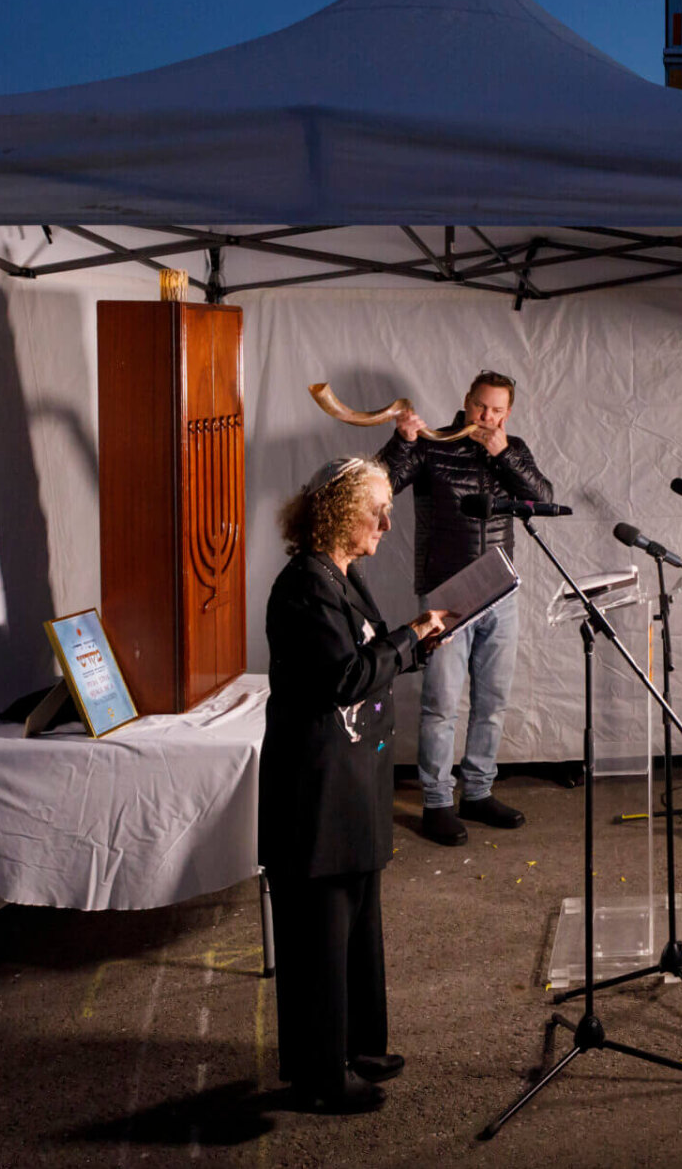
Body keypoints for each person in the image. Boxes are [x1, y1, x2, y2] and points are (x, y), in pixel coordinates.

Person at [261, 456, 450, 1114]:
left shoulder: (341, 577)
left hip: (353, 781)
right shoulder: (304, 587)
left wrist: (419, 642)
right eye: (378, 509)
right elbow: (343, 675)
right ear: (340, 513)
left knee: (358, 921)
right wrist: (408, 640)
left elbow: (368, 656)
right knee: (322, 930)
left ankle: (359, 1044)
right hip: (317, 791)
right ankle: (320, 1075)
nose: (388, 523)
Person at [380, 369, 554, 846]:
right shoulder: (431, 444)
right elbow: (380, 486)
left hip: (501, 590)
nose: (487, 417)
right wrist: (401, 442)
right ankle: (437, 801)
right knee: (441, 703)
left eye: (497, 410)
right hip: (446, 593)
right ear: (466, 401)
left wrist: (504, 455)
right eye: (481, 406)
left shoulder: (511, 448)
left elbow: (543, 499)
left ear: (508, 413)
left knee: (492, 701)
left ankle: (477, 793)